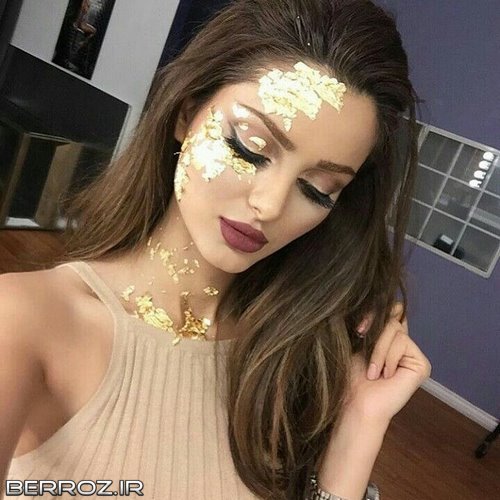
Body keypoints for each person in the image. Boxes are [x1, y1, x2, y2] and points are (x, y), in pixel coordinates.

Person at [0, 0, 432, 498]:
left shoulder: (300, 355)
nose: (270, 205)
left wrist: (359, 427)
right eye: (250, 147)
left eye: (318, 189)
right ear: (187, 114)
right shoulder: (27, 320)